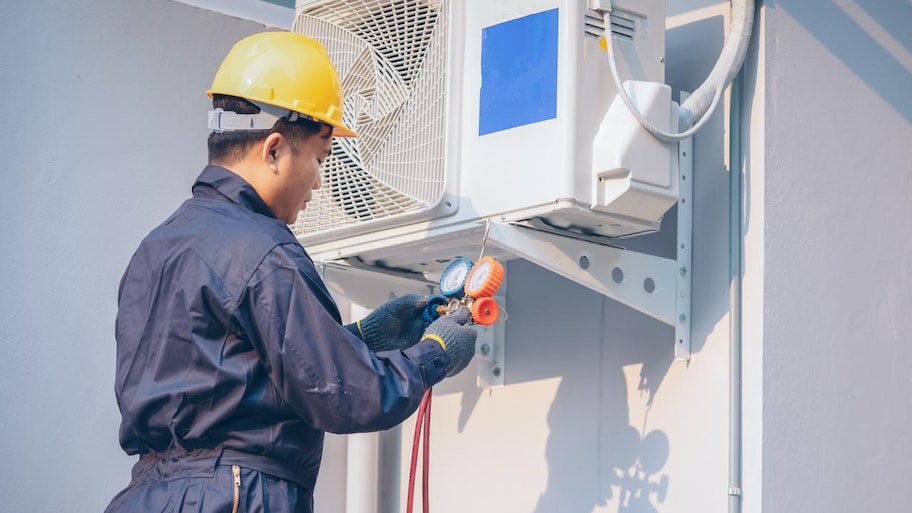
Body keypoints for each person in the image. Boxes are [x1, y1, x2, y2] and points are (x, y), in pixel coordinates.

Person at [104, 31, 477, 513]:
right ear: (275, 149)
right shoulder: (264, 250)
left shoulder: (157, 249)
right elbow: (349, 395)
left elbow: (231, 372)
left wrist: (363, 336)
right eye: (320, 159)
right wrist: (436, 353)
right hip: (235, 494)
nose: (321, 181)